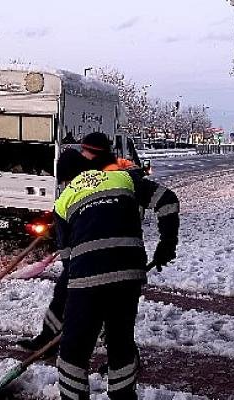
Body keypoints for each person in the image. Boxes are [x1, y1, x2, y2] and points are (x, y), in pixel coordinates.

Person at [18, 134, 177, 354]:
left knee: (114, 314)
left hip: (117, 253)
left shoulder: (117, 174)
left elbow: (166, 200)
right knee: (66, 293)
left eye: (87, 151)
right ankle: (49, 338)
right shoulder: (90, 171)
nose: (83, 155)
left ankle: (123, 356)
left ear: (97, 153)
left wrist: (167, 243)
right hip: (93, 254)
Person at [48, 148, 179, 400]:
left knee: (73, 352)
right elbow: (168, 200)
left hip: (86, 277)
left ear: (65, 179)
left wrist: (76, 309)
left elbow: (68, 259)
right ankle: (123, 396)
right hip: (128, 274)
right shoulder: (122, 178)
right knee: (120, 340)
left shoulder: (64, 200)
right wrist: (166, 245)